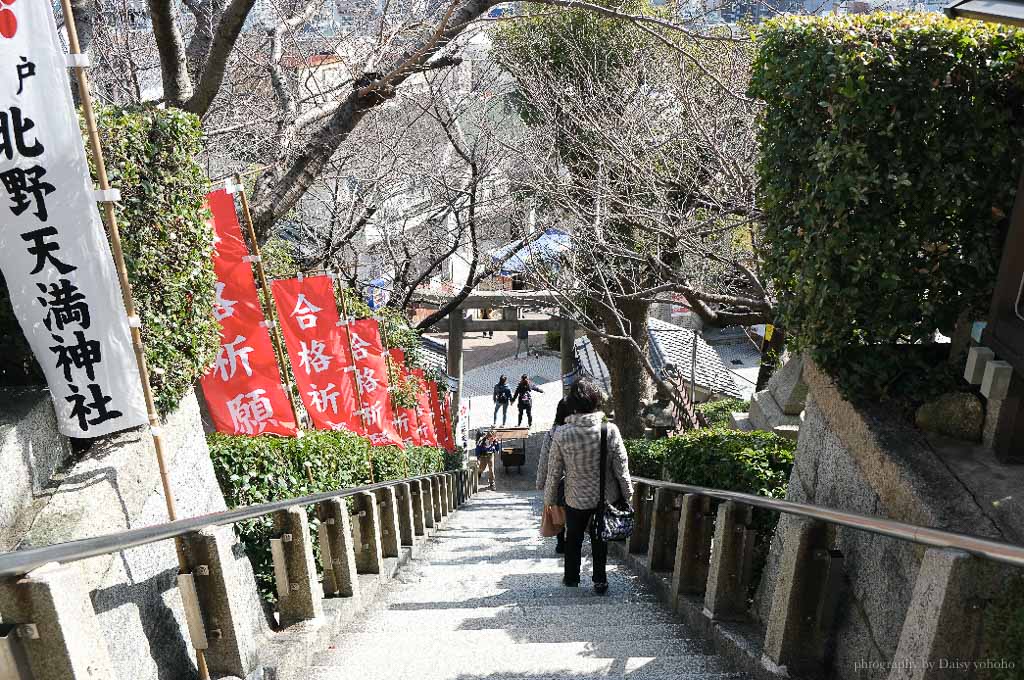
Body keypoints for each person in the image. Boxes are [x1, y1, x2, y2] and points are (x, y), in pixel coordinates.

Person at [544, 378, 633, 595]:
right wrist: (628, 494)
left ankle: (572, 577)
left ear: (572, 404)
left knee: (573, 535)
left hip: (575, 496)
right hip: (605, 496)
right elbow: (621, 466)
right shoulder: (609, 430)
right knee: (600, 537)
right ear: (596, 401)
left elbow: (554, 470)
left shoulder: (562, 433)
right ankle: (600, 579)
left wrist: (549, 499)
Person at [537, 399, 572, 554]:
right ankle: (570, 540)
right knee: (571, 510)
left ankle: (560, 542)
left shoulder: (552, 433)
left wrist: (540, 481)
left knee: (558, 509)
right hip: (574, 477)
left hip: (556, 479)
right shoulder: (576, 432)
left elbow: (544, 459)